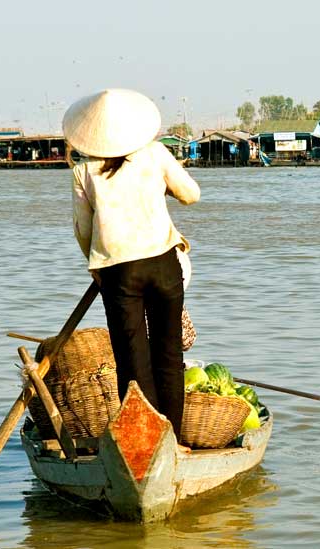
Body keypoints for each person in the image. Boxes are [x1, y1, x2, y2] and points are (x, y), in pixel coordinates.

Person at [64, 88, 200, 438]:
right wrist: (162, 187)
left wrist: (96, 267)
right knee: (168, 354)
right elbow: (191, 195)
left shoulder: (84, 171)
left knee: (132, 360)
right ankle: (173, 440)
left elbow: (83, 230)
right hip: (163, 263)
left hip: (118, 272)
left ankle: (146, 439)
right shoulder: (155, 155)